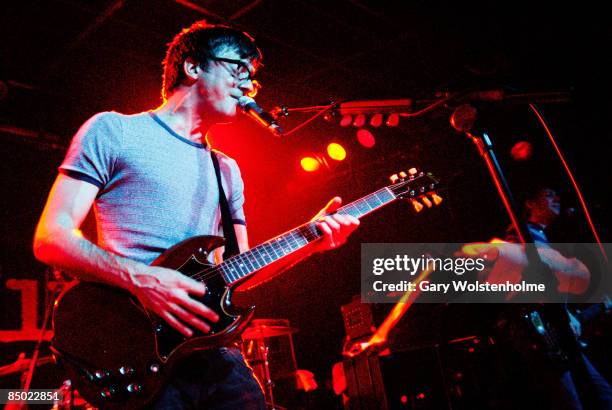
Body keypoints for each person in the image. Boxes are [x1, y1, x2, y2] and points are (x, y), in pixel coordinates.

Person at [32, 21, 359, 409]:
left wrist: (311, 242)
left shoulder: (227, 170)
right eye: (238, 69)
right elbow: (51, 237)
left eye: (252, 78)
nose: (248, 85)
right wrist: (142, 279)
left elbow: (238, 270)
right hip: (136, 347)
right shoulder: (114, 131)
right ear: (192, 67)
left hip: (213, 349)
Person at [463, 186, 612, 409]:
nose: (557, 199)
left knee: (602, 395)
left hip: (554, 332)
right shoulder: (521, 234)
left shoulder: (539, 236)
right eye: (548, 195)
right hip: (540, 334)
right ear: (530, 204)